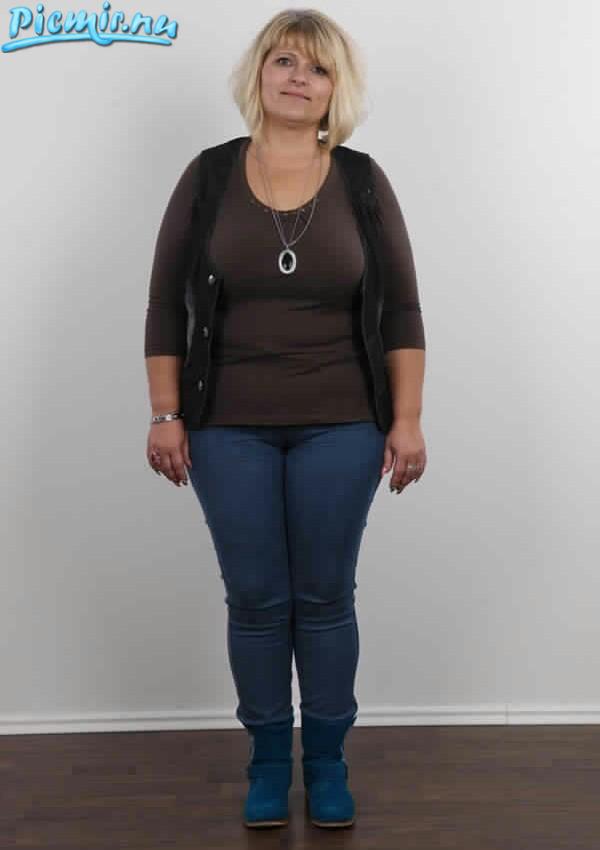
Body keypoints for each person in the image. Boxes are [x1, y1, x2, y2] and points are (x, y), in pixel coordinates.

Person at [143, 8, 427, 830]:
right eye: (285, 60)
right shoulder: (208, 177)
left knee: (325, 596)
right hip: (225, 426)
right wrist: (166, 413)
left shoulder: (363, 182)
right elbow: (164, 305)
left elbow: (402, 310)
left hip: (343, 425)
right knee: (257, 599)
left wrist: (407, 420)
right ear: (260, 74)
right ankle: (269, 761)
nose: (299, 77)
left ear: (337, 90)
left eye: (318, 67)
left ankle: (327, 761)